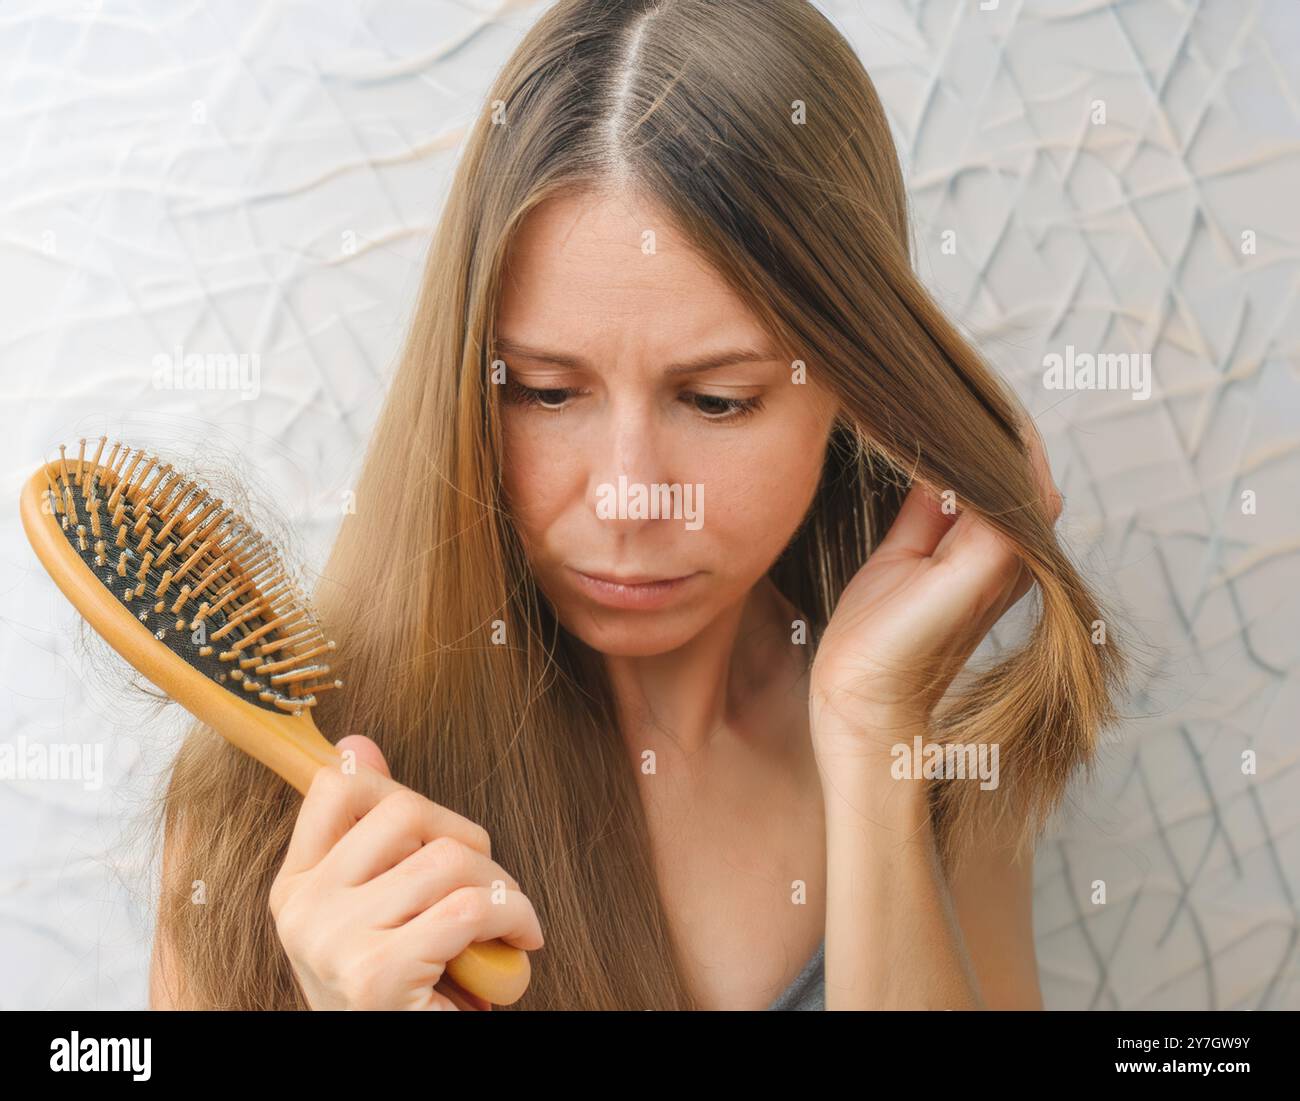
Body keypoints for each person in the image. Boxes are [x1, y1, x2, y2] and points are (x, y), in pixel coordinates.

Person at [150, 0, 1124, 1011]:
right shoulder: (263, 794)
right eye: (544, 390)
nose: (625, 498)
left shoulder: (940, 755)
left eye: (716, 400)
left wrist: (873, 744)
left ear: (855, 383)